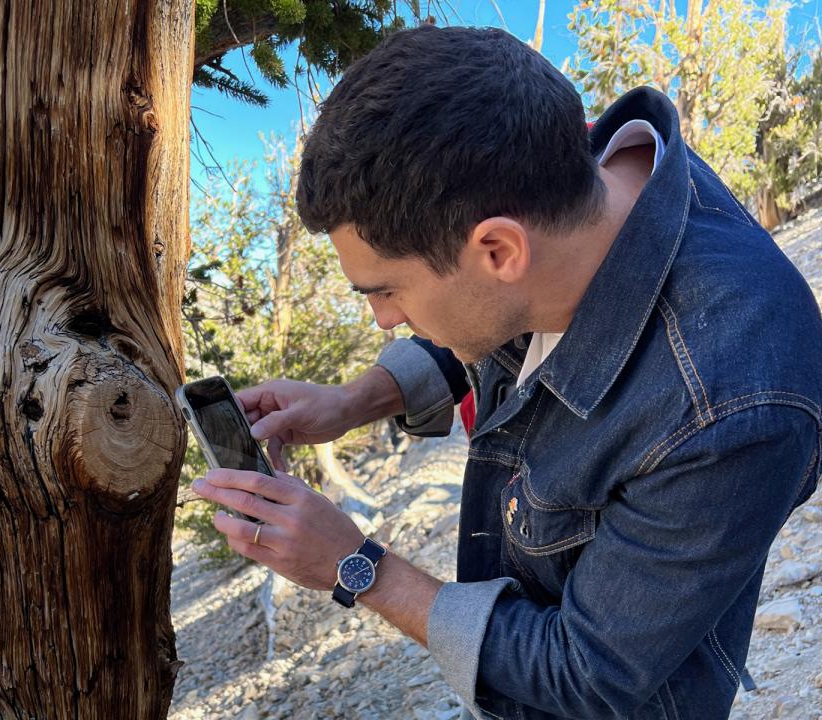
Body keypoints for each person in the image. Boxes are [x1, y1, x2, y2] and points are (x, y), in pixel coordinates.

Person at [190, 25, 822, 720]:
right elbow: (493, 316)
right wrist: (355, 401)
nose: (383, 321)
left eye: (386, 290)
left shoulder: (731, 406)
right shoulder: (559, 185)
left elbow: (590, 673)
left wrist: (356, 567)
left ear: (498, 248)